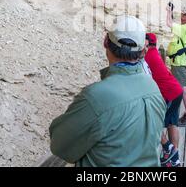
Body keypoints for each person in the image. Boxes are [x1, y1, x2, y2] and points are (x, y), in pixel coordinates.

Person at [49, 15, 166, 167]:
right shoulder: (153, 87)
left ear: (106, 42)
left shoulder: (95, 96)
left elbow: (59, 145)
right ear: (143, 51)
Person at [145, 33, 184, 167]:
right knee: (172, 123)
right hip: (176, 90)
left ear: (146, 42)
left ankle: (168, 148)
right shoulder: (154, 52)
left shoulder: (147, 56)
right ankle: (174, 159)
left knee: (154, 121)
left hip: (169, 93)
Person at [166, 5, 186, 126]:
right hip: (179, 63)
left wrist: (168, 11)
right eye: (183, 15)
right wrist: (171, 12)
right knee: (182, 88)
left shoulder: (185, 29)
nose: (182, 17)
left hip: (179, 64)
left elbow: (168, 23)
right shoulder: (184, 29)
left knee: (183, 89)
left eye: (185, 16)